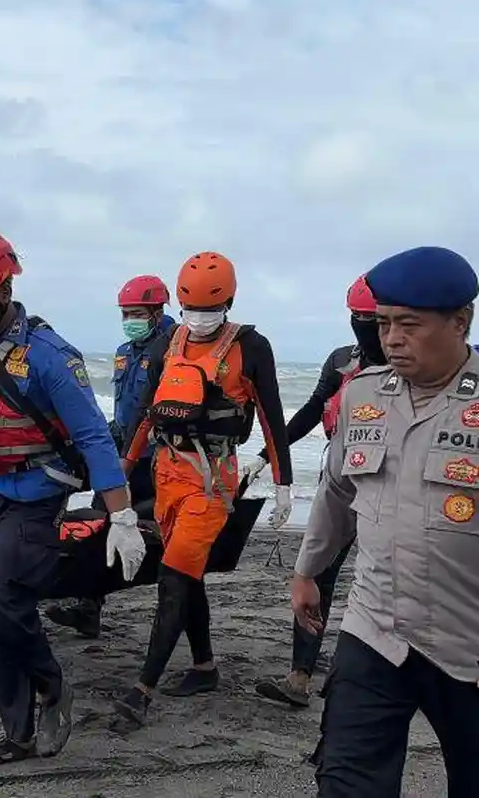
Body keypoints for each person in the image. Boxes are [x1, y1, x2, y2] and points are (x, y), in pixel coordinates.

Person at [0, 229, 145, 766]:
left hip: (32, 496)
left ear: (2, 293)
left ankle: (51, 682)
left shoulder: (51, 357)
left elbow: (94, 435)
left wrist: (120, 514)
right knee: (0, 614)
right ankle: (18, 734)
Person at [294, 246, 479, 795]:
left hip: (467, 642)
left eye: (408, 325)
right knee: (347, 781)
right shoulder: (365, 395)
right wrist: (308, 569)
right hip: (375, 628)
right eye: (383, 323)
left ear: (459, 322)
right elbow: (336, 489)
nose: (391, 338)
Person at [114, 251, 293, 727]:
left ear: (229, 302)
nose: (198, 320)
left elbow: (273, 420)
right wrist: (124, 468)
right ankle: (204, 666)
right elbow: (149, 415)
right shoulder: (170, 343)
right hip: (167, 476)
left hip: (211, 482)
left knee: (173, 579)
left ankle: (141, 690)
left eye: (208, 310)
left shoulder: (252, 348)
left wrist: (283, 483)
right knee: (187, 576)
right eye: (190, 309)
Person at [250, 274, 386, 708]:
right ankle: (300, 678)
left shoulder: (411, 365)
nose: (363, 325)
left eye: (371, 317)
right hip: (342, 473)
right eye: (356, 317)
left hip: (392, 486)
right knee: (317, 572)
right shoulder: (343, 361)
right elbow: (311, 410)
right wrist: (268, 454)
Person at [46, 275, 175, 639]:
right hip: (120, 456)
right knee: (98, 525)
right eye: (124, 313)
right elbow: (124, 410)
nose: (129, 320)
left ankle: (172, 614)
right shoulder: (124, 351)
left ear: (156, 311)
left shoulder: (174, 348)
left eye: (136, 313)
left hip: (157, 459)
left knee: (162, 536)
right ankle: (89, 606)